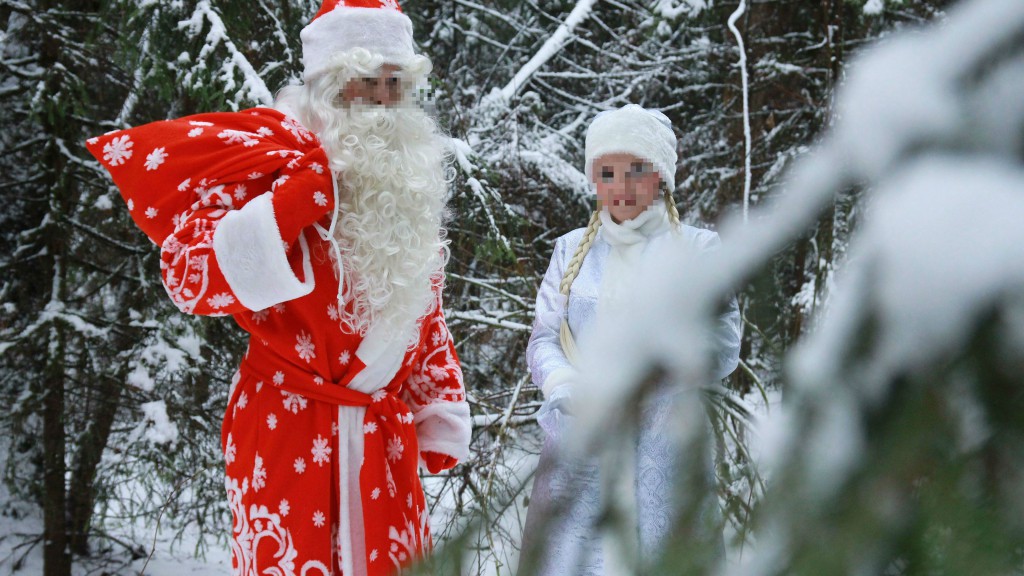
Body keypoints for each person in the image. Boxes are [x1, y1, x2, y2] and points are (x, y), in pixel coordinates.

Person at [85, 1, 471, 574]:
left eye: (395, 83)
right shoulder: (270, 165)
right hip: (285, 430)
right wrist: (285, 208)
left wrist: (438, 405)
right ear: (328, 86)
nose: (383, 100)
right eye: (367, 81)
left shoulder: (407, 187)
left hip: (382, 443)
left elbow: (423, 311)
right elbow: (191, 281)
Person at [520, 104, 742, 574]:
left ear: (660, 176)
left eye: (635, 171)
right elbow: (543, 339)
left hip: (665, 440)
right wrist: (565, 386)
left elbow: (722, 343)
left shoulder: (697, 249)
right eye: (607, 172)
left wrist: (652, 380)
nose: (620, 187)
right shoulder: (569, 249)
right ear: (593, 178)